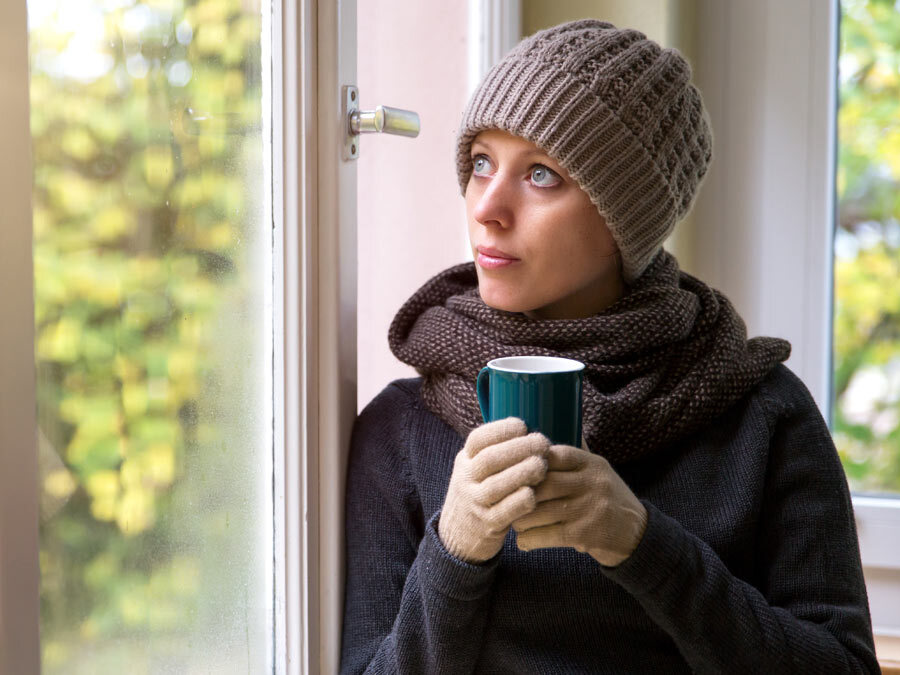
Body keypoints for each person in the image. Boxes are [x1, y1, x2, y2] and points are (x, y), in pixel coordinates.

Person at [340, 18, 879, 674]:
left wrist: (643, 544)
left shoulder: (761, 412)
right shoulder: (401, 427)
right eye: (481, 162)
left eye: (541, 174)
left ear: (627, 216)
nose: (488, 206)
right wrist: (454, 550)